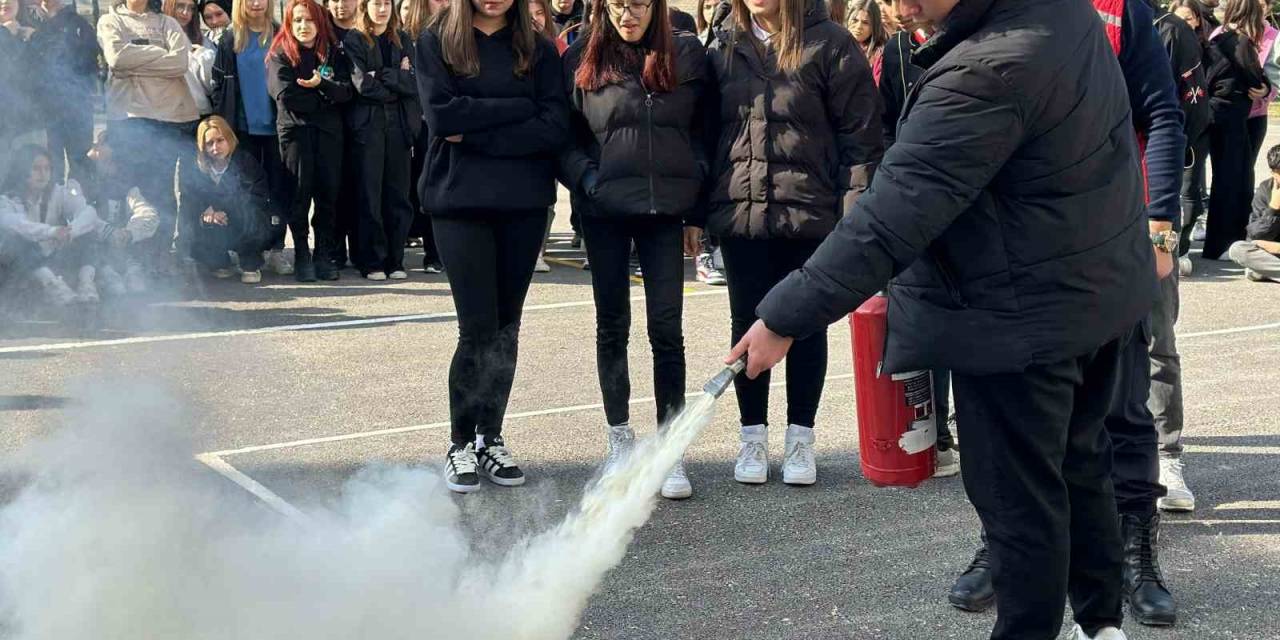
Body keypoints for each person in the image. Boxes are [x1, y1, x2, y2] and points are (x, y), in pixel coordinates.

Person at [727, 0, 1165, 637]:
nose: (897, 5)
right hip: (1092, 296)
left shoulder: (986, 71)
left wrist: (785, 316)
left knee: (1021, 510)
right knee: (1080, 466)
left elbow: (893, 215)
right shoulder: (1062, 13)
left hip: (1017, 320)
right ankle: (1102, 626)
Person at [946, 0, 1187, 628]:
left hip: (1116, 233)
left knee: (1124, 408)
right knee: (1018, 435)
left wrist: (1159, 225)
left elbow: (1162, 111)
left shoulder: (1120, 10)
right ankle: (1004, 547)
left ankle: (1135, 551)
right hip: (1022, 249)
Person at [706, 0, 882, 487]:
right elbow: (707, 128)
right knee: (747, 323)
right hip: (742, 211)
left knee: (805, 324)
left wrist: (854, 216)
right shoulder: (723, 42)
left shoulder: (831, 42)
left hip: (810, 211)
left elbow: (861, 140)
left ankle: (801, 437)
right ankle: (752, 437)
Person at [415, 0, 570, 493]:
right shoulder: (437, 42)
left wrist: (476, 128)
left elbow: (554, 125)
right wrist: (517, 111)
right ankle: (460, 443)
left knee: (506, 327)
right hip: (459, 201)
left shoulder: (539, 49)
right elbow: (442, 118)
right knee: (476, 327)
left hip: (523, 203)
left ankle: (490, 437)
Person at [561, 0, 708, 499]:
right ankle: (619, 441)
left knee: (667, 330)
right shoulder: (580, 55)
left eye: (639, 4)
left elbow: (703, 132)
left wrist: (696, 208)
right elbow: (565, 137)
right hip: (604, 212)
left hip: (665, 213)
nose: (629, 14)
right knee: (612, 326)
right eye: (619, 5)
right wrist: (587, 178)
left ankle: (669, 451)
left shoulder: (684, 54)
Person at [97, 0, 200, 276]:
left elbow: (179, 62)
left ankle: (160, 253)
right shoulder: (111, 21)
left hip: (169, 117)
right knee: (131, 190)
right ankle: (131, 256)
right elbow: (116, 59)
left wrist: (136, 59)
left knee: (163, 191)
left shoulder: (168, 22)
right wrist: (158, 53)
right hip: (129, 118)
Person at [269, 0, 354, 282]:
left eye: (309, 20)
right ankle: (302, 255)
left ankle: (323, 254)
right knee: (299, 196)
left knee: (328, 196)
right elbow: (288, 96)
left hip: (329, 135)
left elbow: (345, 93)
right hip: (296, 135)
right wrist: (325, 97)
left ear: (320, 22)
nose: (304, 26)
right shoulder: (280, 54)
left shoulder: (332, 54)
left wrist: (321, 85)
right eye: (298, 21)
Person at [211, 0, 293, 276]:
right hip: (242, 130)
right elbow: (219, 85)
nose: (256, 3)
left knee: (279, 191)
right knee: (246, 193)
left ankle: (277, 249)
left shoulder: (281, 33)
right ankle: (250, 251)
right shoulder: (231, 38)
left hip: (277, 129)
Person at [344, 0, 420, 281]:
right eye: (376, 3)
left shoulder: (403, 40)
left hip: (399, 127)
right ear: (365, 6)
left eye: (387, 2)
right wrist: (396, 80)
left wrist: (385, 76)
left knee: (398, 195)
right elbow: (362, 84)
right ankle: (373, 260)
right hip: (369, 127)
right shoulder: (354, 39)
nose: (383, 8)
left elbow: (413, 83)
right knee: (369, 195)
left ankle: (396, 260)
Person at [1201, 0, 1270, 262]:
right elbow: (1255, 76)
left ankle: (1225, 241)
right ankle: (1224, 243)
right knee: (1234, 180)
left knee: (1232, 178)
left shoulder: (1221, 36)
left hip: (1224, 115)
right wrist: (1262, 85)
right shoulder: (1239, 41)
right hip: (1230, 117)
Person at [0, 144, 106, 303]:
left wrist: (72, 231)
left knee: (86, 232)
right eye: (36, 168)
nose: (43, 174)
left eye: (47, 168)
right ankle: (55, 289)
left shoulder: (59, 192)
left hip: (54, 259)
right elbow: (17, 225)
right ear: (22, 170)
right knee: (18, 242)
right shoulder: (6, 200)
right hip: (19, 268)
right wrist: (53, 232)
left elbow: (88, 213)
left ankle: (86, 286)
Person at [179, 115, 275, 284]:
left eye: (220, 140)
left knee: (253, 216)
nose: (215, 148)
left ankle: (250, 261)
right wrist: (205, 212)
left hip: (241, 217)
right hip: (213, 221)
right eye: (209, 143)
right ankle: (218, 260)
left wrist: (226, 211)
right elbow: (188, 198)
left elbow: (257, 196)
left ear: (229, 139)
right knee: (192, 225)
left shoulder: (246, 162)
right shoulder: (196, 168)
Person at [23, 0, 100, 186]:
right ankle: (48, 211)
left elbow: (89, 62)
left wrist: (40, 36)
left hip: (76, 107)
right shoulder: (25, 20)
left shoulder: (78, 24)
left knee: (80, 165)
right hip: (41, 111)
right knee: (46, 167)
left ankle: (81, 209)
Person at [1165, 0, 1214, 276]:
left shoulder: (1206, 46)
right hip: (1176, 126)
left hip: (1196, 127)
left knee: (1190, 192)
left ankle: (1181, 247)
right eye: (1182, 17)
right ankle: (1174, 248)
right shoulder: (1167, 36)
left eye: (1191, 17)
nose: (1188, 22)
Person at [83, 127, 161, 296]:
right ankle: (102, 275)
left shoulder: (127, 188)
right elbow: (78, 213)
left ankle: (132, 271)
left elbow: (148, 213)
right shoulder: (83, 181)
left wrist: (129, 233)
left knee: (139, 252)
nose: (111, 168)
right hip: (94, 248)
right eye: (107, 161)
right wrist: (107, 232)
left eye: (115, 162)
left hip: (122, 248)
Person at [401, 0, 446, 273]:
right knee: (407, 187)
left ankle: (435, 253)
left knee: (431, 186)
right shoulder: (402, 39)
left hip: (433, 124)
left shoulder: (447, 35)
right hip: (407, 123)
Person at [327, 0, 361, 269]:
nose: (340, 5)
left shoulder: (367, 28)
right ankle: (334, 250)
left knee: (362, 189)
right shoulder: (321, 29)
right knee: (333, 188)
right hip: (330, 120)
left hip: (365, 120)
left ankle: (363, 251)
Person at [1229, 144, 1280, 280]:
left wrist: (1277, 248)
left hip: (1275, 249)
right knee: (1237, 249)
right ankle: (1270, 271)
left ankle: (1269, 271)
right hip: (1271, 254)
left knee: (1255, 271)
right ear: (1273, 172)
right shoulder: (1266, 189)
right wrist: (1273, 209)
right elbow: (1255, 235)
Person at [0, 0, 37, 182]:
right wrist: (5, 34)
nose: (5, 1)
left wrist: (34, 42)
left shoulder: (30, 32)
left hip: (27, 124)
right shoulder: (7, 33)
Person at [163, 0, 218, 117]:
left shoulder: (202, 41)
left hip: (198, 113)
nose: (185, 12)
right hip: (164, 115)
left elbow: (213, 85)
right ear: (169, 6)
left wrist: (203, 56)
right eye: (180, 6)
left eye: (191, 8)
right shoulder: (157, 38)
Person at [846, 0, 887, 84]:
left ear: (874, 27)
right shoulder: (837, 46)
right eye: (855, 20)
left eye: (865, 23)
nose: (858, 27)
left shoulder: (879, 55)